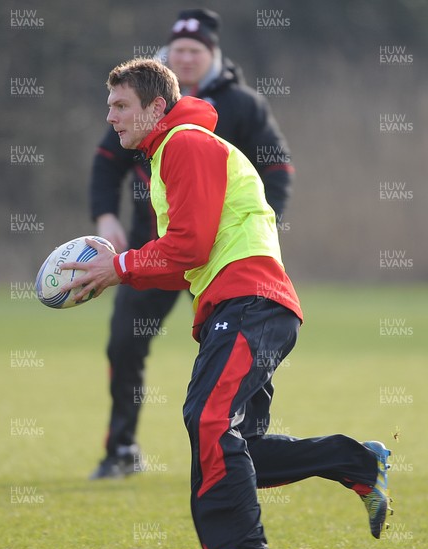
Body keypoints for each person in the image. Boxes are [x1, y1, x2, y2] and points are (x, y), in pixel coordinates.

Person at [62, 59, 393, 549]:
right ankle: (357, 463)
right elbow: (186, 262)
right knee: (240, 443)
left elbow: (187, 246)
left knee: (209, 421)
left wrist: (121, 265)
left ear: (155, 107)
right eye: (109, 106)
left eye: (121, 106)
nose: (112, 116)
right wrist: (118, 274)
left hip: (252, 302)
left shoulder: (184, 144)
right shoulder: (167, 153)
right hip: (243, 305)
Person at [89, 8, 294, 479]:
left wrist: (261, 228)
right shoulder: (136, 101)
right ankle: (121, 448)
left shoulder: (241, 104)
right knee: (125, 343)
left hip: (214, 254)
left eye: (194, 50)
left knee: (240, 344)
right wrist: (105, 216)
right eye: (177, 50)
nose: (184, 57)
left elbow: (278, 167)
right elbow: (106, 161)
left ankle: (248, 447)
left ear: (212, 55)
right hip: (153, 250)